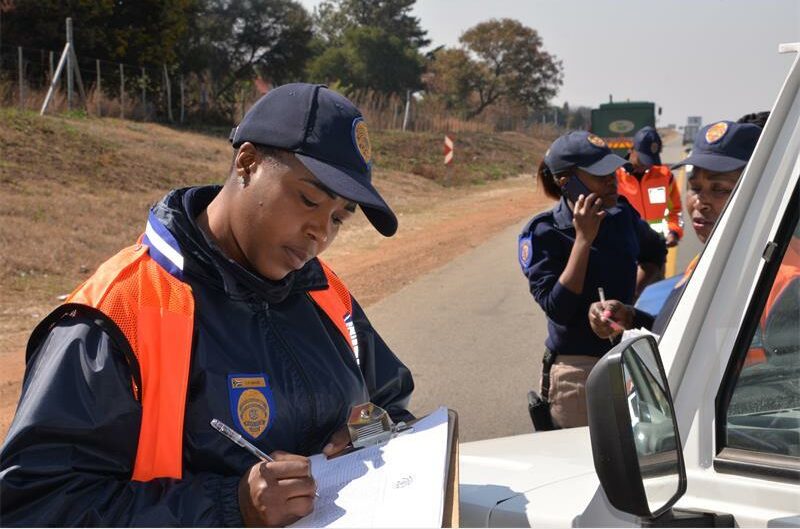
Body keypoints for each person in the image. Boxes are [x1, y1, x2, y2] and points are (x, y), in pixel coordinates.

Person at [0, 83, 414, 526]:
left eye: (338, 217)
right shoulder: (120, 313)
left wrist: (364, 431)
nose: (321, 233)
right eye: (309, 199)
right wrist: (229, 506)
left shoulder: (322, 291)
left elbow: (393, 406)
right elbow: (35, 505)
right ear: (248, 162)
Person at [519, 131, 667, 430]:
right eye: (600, 175)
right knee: (584, 466)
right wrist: (583, 240)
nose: (612, 180)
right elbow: (557, 307)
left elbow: (655, 251)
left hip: (631, 359)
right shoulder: (545, 233)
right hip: (579, 373)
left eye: (612, 171)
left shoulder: (621, 216)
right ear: (566, 182)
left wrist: (631, 301)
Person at [590, 120, 762, 339]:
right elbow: (683, 337)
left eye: (719, 189)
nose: (700, 202)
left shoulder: (775, 276)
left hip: (656, 250)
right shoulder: (705, 262)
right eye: (695, 188)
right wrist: (632, 318)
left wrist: (674, 231)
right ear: (631, 152)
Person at [616, 126, 684, 248]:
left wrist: (673, 232)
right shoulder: (614, 178)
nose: (645, 166)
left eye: (649, 162)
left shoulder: (665, 176)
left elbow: (676, 211)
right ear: (631, 150)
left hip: (656, 247)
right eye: (641, 160)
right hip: (626, 247)